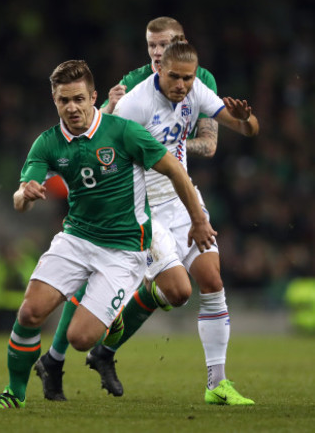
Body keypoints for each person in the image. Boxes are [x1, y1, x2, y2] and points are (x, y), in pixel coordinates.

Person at [0, 59, 216, 409]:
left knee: (79, 339)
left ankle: (114, 321)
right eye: (64, 100)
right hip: (76, 239)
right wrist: (25, 194)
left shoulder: (123, 132)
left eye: (78, 99)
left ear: (93, 97)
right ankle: (14, 394)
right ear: (54, 100)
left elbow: (176, 173)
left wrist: (198, 220)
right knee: (29, 313)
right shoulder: (47, 143)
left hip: (123, 249)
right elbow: (20, 199)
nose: (72, 107)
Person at [35, 37, 259, 406]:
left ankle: (217, 383)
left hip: (181, 198)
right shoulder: (134, 100)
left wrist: (246, 118)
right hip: (144, 209)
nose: (181, 83)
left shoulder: (196, 87)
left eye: (166, 45)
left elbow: (241, 131)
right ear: (156, 60)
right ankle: (68, 354)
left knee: (211, 280)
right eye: (153, 46)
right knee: (175, 291)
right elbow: (97, 141)